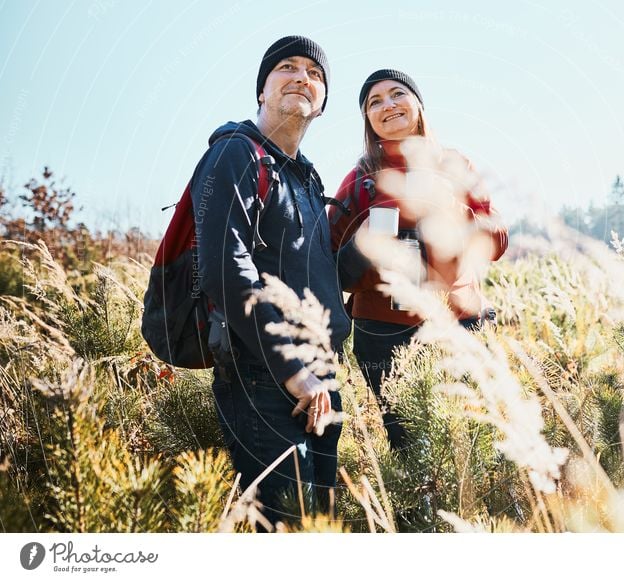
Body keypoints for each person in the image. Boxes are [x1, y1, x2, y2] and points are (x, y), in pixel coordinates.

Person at [193, 36, 356, 527]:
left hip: (322, 377)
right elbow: (225, 265)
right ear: (262, 89)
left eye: (314, 72)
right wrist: (292, 369)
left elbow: (321, 273)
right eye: (286, 67)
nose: (302, 77)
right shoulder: (236, 154)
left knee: (316, 524)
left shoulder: (308, 179)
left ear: (322, 103)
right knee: (284, 524)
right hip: (264, 377)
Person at [329, 69, 509, 452]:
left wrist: (455, 209)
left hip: (461, 323)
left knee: (474, 442)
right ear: (368, 122)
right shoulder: (360, 179)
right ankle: (415, 514)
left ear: (418, 105)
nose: (388, 105)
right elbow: (332, 265)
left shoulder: (454, 166)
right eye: (374, 102)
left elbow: (497, 244)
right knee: (409, 446)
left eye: (397, 94)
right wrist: (369, 243)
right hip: (382, 333)